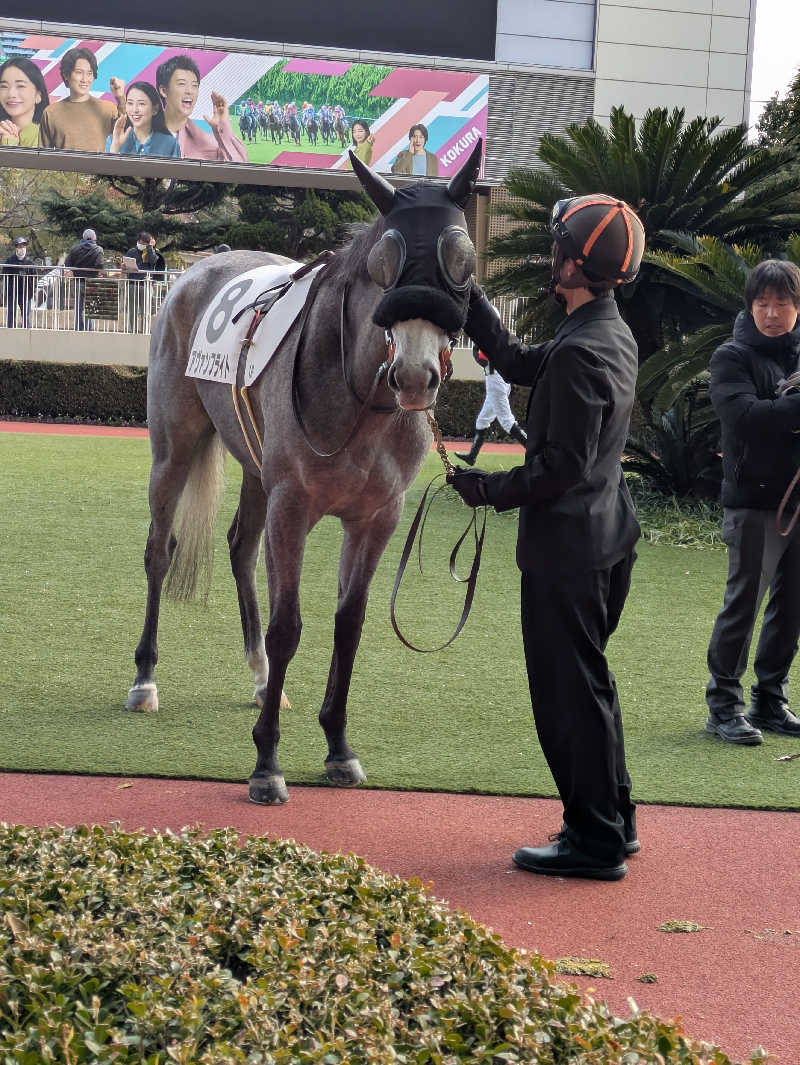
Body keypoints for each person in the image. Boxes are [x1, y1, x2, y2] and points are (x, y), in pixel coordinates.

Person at [448, 194, 646, 881]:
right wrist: (469, 299)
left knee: (567, 694)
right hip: (605, 535)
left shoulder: (581, 349)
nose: (549, 255)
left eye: (556, 246)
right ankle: (614, 820)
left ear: (572, 263)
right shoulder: (605, 330)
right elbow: (524, 361)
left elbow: (557, 469)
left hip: (570, 549)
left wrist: (483, 488)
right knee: (590, 685)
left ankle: (591, 839)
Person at [704, 260, 800, 745]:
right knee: (744, 603)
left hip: (798, 501)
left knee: (793, 606)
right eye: (763, 302)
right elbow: (743, 417)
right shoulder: (731, 356)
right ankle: (723, 704)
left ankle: (770, 699)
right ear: (750, 306)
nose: (772, 312)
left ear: (797, 307)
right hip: (752, 503)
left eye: (782, 303)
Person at [155, 55, 247, 163]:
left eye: (194, 85)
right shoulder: (141, 133)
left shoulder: (209, 143)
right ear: (164, 91)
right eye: (182, 84)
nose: (190, 91)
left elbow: (239, 172)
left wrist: (223, 126)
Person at [454, 337, 527, 464]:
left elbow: (482, 359)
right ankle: (472, 456)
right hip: (502, 380)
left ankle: (533, 448)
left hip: (495, 381)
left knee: (507, 421)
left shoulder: (490, 340)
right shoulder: (500, 338)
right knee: (482, 420)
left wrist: (475, 349)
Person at [38, 46, 124, 151]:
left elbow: (129, 131)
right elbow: (44, 158)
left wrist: (120, 98)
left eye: (89, 73)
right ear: (66, 75)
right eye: (79, 72)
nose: (85, 79)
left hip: (98, 167)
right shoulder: (50, 113)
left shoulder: (107, 109)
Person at [105, 81, 180, 158]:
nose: (135, 110)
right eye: (130, 103)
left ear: (155, 109)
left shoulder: (170, 144)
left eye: (141, 103)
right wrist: (115, 147)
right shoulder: (112, 140)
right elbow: (105, 170)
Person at [0, 57, 50, 148]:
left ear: (38, 96)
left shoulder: (47, 136)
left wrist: (9, 144)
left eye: (20, 86)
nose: (11, 94)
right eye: (4, 86)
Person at [122, 231, 166, 332]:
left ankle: (144, 331)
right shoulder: (132, 251)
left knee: (145, 311)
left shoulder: (151, 252)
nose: (142, 244)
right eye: (141, 242)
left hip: (146, 285)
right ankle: (133, 331)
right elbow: (124, 267)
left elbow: (153, 261)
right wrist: (123, 266)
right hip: (133, 284)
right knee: (132, 310)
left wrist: (150, 247)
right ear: (138, 241)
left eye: (145, 243)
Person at [64, 228, 105, 331]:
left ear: (83, 237)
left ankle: (79, 329)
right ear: (94, 237)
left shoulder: (75, 249)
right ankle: (88, 330)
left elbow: (67, 264)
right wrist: (97, 272)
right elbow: (99, 265)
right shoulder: (98, 249)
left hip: (77, 281)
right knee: (91, 308)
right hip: (92, 282)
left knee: (78, 308)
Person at [2, 236, 38, 327]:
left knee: (26, 315)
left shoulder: (30, 262)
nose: (22, 248)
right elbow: (5, 276)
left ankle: (26, 332)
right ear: (16, 248)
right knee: (11, 314)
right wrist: (6, 290)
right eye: (19, 246)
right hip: (12, 293)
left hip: (26, 293)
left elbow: (35, 277)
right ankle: (10, 331)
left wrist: (32, 290)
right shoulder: (10, 261)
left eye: (23, 246)